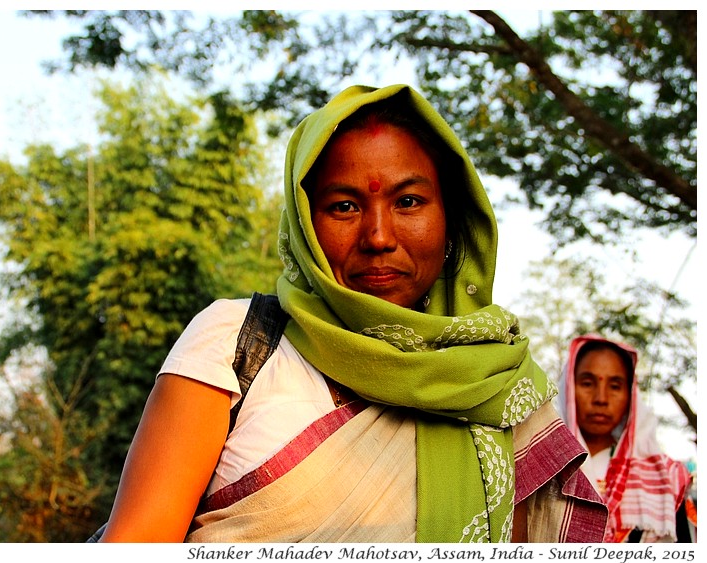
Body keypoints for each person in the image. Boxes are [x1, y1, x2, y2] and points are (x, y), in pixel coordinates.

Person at [99, 84, 607, 543]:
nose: (379, 237)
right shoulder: (235, 341)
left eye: (408, 201)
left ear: (453, 220)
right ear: (304, 223)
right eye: (344, 206)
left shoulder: (502, 388)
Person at [558, 334, 695, 542]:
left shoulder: (668, 478)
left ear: (630, 395)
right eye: (587, 383)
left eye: (615, 386)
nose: (601, 399)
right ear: (568, 388)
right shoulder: (544, 469)